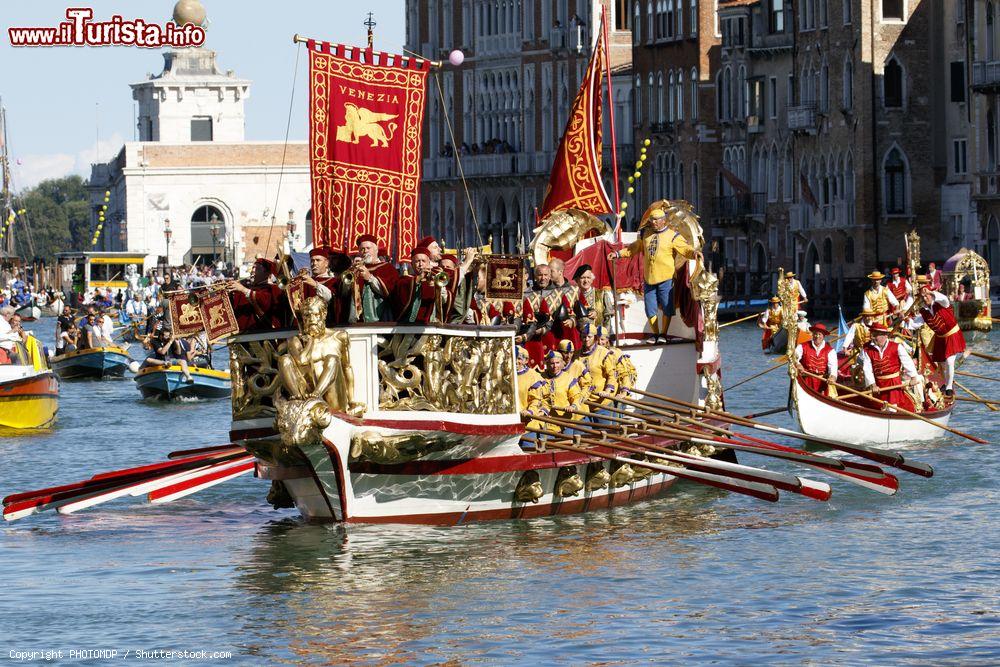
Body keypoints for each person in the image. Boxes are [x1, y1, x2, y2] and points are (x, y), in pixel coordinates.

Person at [609, 207, 700, 343]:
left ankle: (663, 334)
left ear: (663, 221)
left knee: (666, 307)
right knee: (650, 309)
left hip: (666, 278)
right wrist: (618, 254)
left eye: (656, 220)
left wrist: (694, 253)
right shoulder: (646, 235)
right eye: (652, 220)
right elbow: (633, 248)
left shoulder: (672, 235)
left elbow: (685, 249)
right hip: (649, 279)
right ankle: (655, 334)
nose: (654, 222)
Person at [912, 276, 966, 397]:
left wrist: (931, 291)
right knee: (942, 364)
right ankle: (945, 383)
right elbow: (914, 324)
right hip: (940, 338)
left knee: (950, 362)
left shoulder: (942, 303)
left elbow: (944, 298)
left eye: (927, 296)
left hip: (952, 335)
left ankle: (949, 387)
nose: (926, 298)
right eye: (923, 297)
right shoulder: (924, 312)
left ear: (932, 295)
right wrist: (903, 319)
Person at [860, 324, 920, 411]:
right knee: (880, 408)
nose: (872, 338)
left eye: (875, 335)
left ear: (884, 335)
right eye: (873, 335)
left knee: (892, 409)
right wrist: (873, 385)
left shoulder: (897, 347)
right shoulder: (867, 350)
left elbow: (907, 362)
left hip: (893, 383)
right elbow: (867, 368)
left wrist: (914, 377)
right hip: (878, 385)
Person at [345, 233, 399, 322]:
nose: (365, 251)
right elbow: (344, 294)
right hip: (356, 321)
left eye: (368, 248)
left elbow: (392, 293)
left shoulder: (387, 268)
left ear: (376, 250)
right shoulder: (355, 268)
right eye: (362, 249)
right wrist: (352, 271)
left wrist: (370, 277)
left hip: (380, 319)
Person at [227, 258, 288, 332]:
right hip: (242, 333)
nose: (253, 270)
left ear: (267, 273)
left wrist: (243, 290)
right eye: (253, 267)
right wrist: (228, 291)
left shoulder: (273, 288)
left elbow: (264, 301)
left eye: (257, 268)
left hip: (263, 332)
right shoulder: (248, 286)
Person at [394, 246, 446, 324]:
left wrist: (438, 287)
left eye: (423, 261)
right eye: (417, 261)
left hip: (431, 324)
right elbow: (402, 297)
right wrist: (419, 278)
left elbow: (444, 300)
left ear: (429, 263)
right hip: (410, 325)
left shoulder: (434, 278)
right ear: (412, 264)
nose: (420, 264)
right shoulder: (405, 280)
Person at [794, 323, 838, 395]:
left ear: (823, 336)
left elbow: (833, 367)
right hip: (805, 381)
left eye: (819, 334)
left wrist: (833, 377)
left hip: (822, 383)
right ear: (812, 334)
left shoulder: (830, 351)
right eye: (815, 334)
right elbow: (794, 357)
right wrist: (798, 364)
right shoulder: (802, 346)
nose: (817, 336)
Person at [573, 264, 614, 332]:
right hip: (580, 338)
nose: (586, 281)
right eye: (583, 278)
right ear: (577, 280)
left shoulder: (602, 294)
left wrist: (604, 336)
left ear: (592, 279)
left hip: (598, 337)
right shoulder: (573, 296)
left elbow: (608, 319)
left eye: (588, 278)